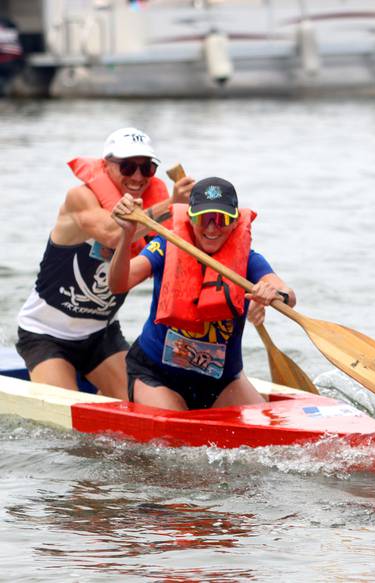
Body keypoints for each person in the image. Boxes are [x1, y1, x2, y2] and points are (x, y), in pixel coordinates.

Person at [15, 127, 194, 399]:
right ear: (106, 165)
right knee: (67, 426)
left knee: (141, 404)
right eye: (127, 166)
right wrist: (171, 205)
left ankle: (103, 395)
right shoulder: (80, 197)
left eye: (146, 168)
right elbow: (112, 232)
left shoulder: (154, 208)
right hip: (46, 335)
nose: (137, 177)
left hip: (101, 335)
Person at [109, 177, 296, 411]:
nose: (211, 228)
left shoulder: (248, 260)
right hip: (158, 375)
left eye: (221, 219)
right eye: (203, 218)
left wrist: (274, 293)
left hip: (222, 382)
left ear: (236, 221)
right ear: (189, 218)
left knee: (268, 437)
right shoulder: (166, 246)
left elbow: (287, 293)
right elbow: (118, 284)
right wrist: (126, 236)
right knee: (175, 437)